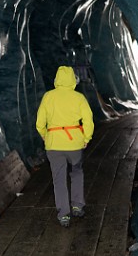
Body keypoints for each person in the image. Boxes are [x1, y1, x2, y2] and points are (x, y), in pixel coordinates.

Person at [35, 66, 94, 227]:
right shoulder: (79, 97)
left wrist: (45, 136)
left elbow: (40, 122)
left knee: (59, 179)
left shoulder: (48, 97)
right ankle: (77, 206)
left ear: (56, 80)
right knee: (76, 172)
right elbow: (88, 120)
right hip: (74, 143)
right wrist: (86, 137)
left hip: (54, 144)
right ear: (73, 80)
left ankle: (63, 215)